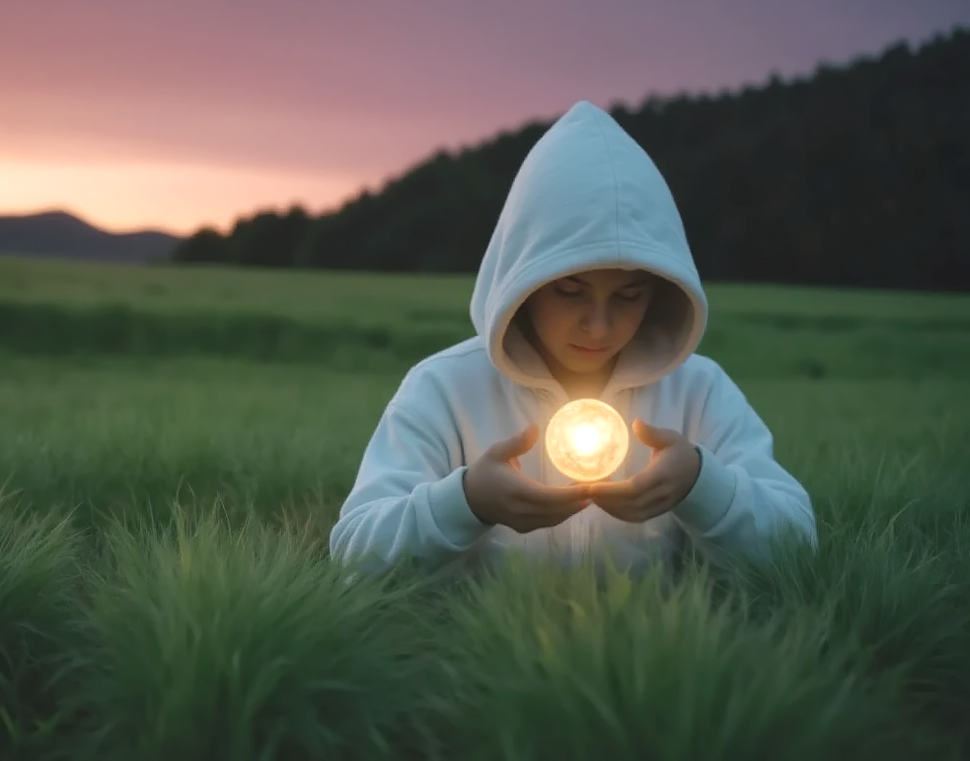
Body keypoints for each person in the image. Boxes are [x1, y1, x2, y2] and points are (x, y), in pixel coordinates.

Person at [328, 100, 818, 579]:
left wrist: (700, 485)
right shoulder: (446, 389)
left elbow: (798, 549)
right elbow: (352, 559)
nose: (599, 326)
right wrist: (467, 501)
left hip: (649, 637)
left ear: (661, 292)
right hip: (481, 637)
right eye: (569, 291)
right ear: (523, 281)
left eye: (628, 296)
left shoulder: (698, 392)